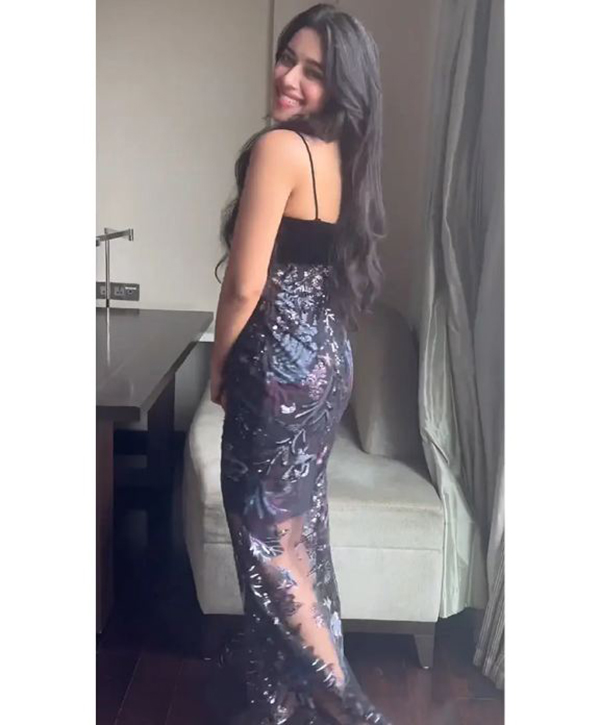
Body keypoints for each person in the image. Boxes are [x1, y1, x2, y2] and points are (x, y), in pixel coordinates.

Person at [210, 4, 391, 723]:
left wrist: (220, 363)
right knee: (299, 535)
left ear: (341, 87)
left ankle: (353, 712)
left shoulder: (281, 148)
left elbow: (244, 285)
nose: (288, 77)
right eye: (287, 57)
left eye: (312, 71)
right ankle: (277, 709)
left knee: (268, 547)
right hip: (327, 360)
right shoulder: (347, 154)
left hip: (276, 368)